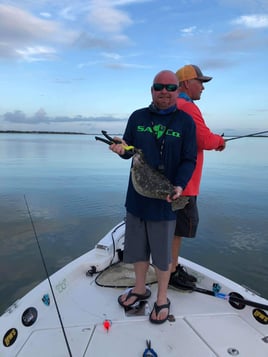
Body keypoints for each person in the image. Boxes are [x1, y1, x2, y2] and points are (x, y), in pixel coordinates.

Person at [109, 70, 197, 324]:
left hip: (166, 198)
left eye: (170, 88)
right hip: (137, 199)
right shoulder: (138, 117)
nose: (164, 92)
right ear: (152, 89)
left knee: (162, 254)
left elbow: (189, 159)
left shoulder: (185, 122)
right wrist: (120, 149)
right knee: (136, 250)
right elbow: (129, 151)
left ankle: (161, 298)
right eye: (159, 87)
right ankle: (139, 289)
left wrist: (180, 185)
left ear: (177, 91)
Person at [169, 64, 226, 290]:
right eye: (200, 82)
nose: (203, 87)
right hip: (185, 185)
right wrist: (220, 142)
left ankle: (169, 266)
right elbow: (203, 139)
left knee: (170, 228)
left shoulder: (171, 106)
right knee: (177, 231)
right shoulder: (188, 107)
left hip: (169, 182)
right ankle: (171, 271)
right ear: (185, 83)